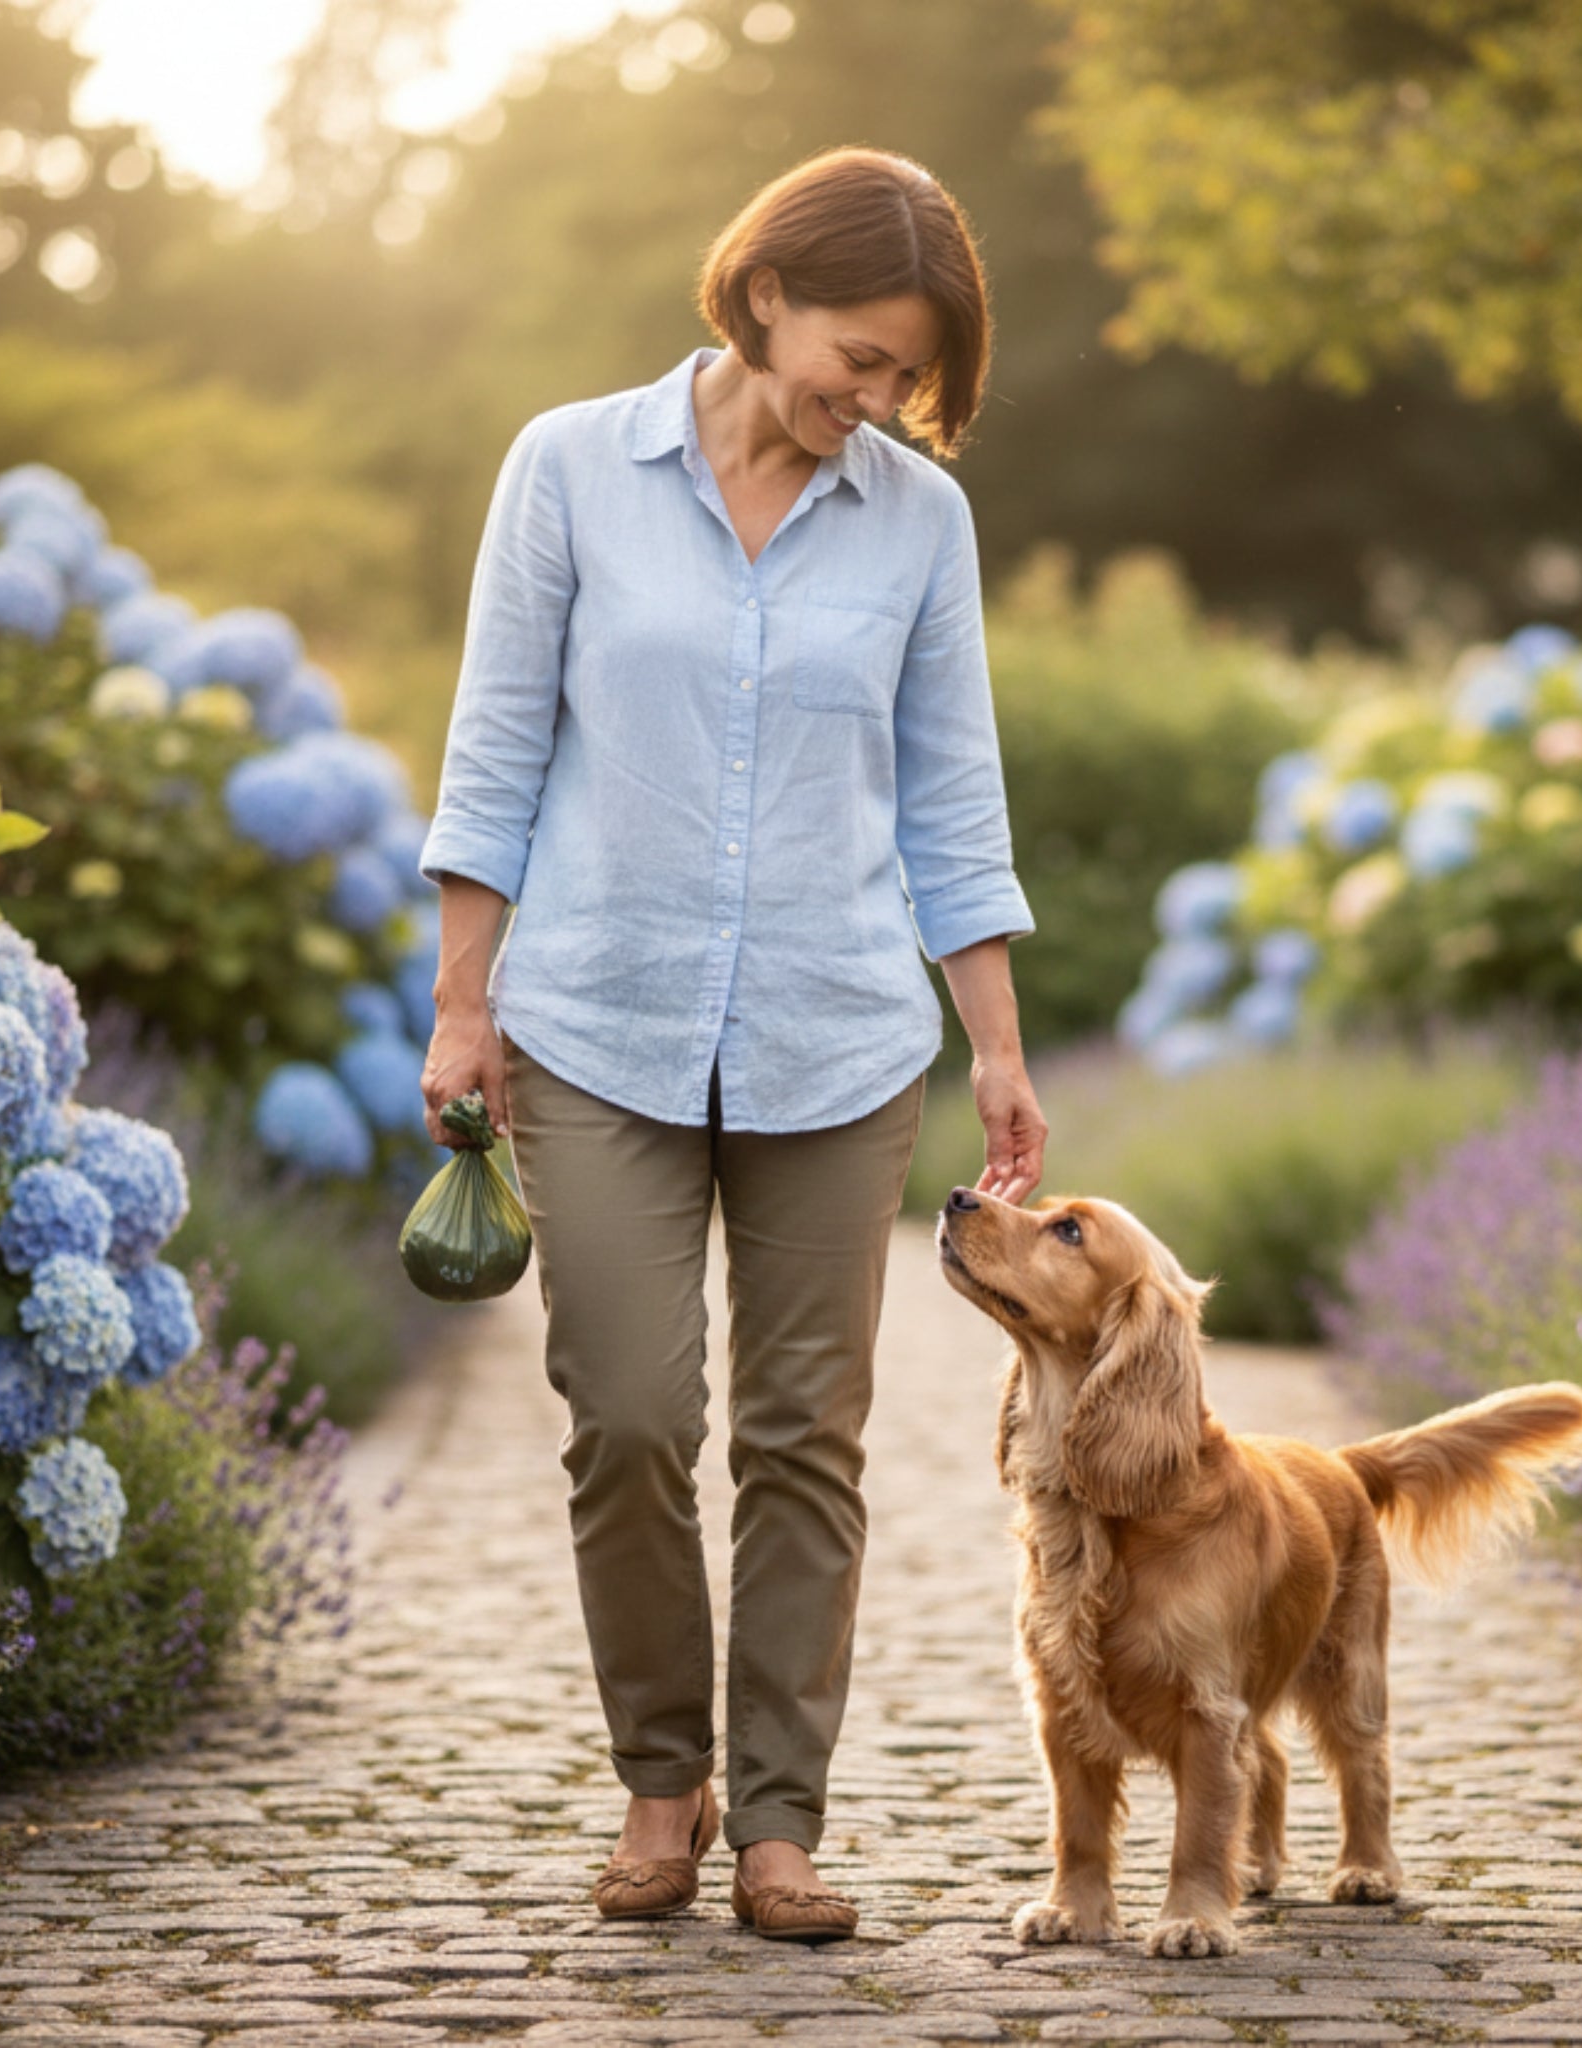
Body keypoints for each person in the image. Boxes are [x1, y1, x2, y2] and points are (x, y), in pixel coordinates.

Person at [417, 145, 1047, 1943]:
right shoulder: (569, 469)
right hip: (596, 1023)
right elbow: (494, 754)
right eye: (863, 356)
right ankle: (656, 1784)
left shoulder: (921, 523)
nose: (881, 400)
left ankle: (776, 1825)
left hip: (839, 1040)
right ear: (766, 292)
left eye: (909, 377)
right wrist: (466, 1005)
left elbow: (953, 800)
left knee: (804, 1437)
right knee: (623, 1415)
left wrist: (992, 1047)